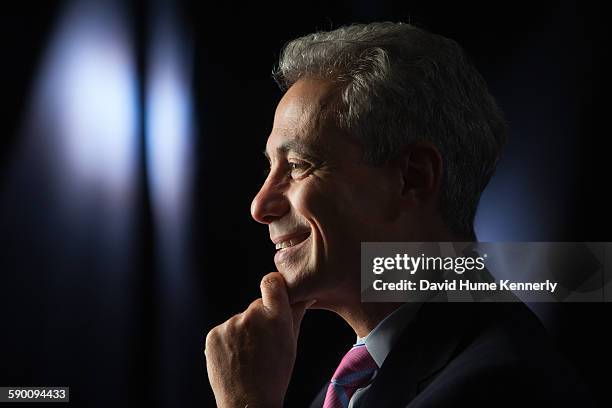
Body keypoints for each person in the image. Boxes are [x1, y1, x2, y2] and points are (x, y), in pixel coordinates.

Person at [204, 22, 595, 407]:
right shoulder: (358, 383)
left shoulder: (498, 384)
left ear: (413, 178)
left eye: (299, 165)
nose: (260, 205)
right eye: (271, 167)